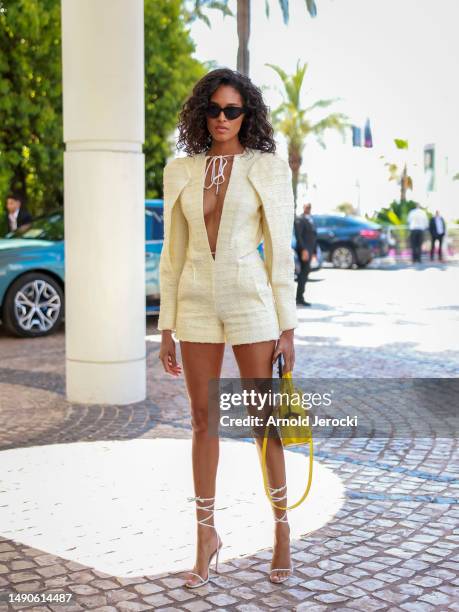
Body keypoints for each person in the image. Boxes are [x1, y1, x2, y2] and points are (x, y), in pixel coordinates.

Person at [157, 68, 298, 588]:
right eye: (214, 109)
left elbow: (281, 251)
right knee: (202, 420)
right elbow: (171, 256)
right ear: (202, 112)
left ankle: (282, 529)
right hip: (194, 302)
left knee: (266, 422)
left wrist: (288, 327)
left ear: (247, 115)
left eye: (232, 110)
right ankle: (205, 535)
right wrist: (165, 326)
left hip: (251, 302)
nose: (221, 118)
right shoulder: (181, 171)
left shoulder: (267, 168)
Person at [294, 202, 317, 306]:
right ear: (303, 207)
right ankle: (299, 298)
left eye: (309, 207)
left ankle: (300, 297)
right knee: (302, 274)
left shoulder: (311, 219)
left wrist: (314, 252)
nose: (308, 208)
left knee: (306, 273)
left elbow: (314, 237)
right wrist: (304, 250)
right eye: (306, 207)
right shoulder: (300, 219)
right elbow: (299, 236)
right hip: (304, 251)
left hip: (310, 250)